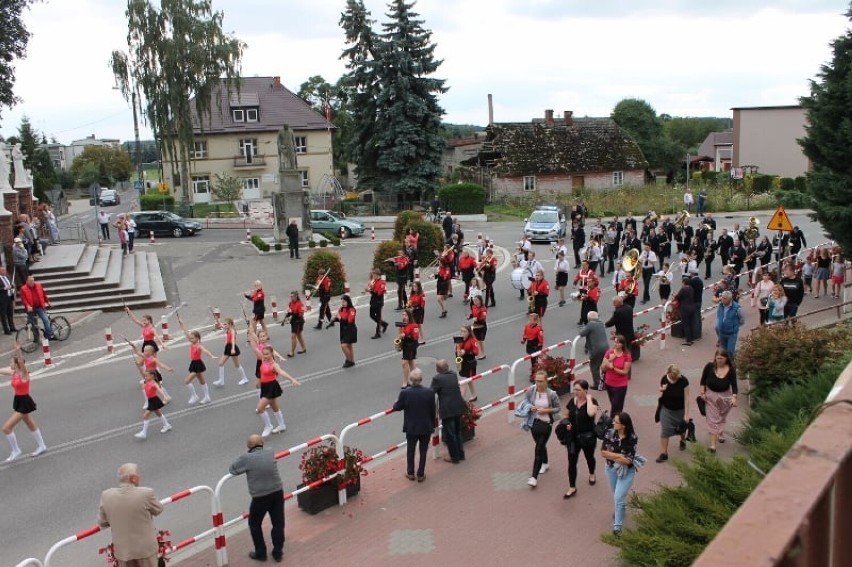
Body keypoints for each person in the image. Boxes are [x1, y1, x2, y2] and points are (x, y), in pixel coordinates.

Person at [229, 434, 285, 562]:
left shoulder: (246, 458)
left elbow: (232, 469)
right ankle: (278, 552)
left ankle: (261, 552)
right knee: (278, 523)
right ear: (263, 443)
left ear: (248, 446)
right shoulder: (270, 451)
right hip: (277, 491)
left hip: (260, 496)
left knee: (254, 523)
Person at [97, 463, 164, 567]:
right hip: (145, 550)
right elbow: (159, 509)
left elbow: (102, 522)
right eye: (138, 475)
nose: (140, 477)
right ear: (133, 478)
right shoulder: (146, 493)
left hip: (123, 551)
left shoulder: (106, 495)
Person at [248, 331, 302, 438]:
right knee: (274, 406)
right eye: (263, 354)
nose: (265, 356)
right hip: (264, 386)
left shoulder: (274, 365)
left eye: (267, 354)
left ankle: (268, 426)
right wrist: (250, 333)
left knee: (260, 408)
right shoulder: (263, 360)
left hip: (271, 387)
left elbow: (282, 373)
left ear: (272, 354)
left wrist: (292, 380)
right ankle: (282, 425)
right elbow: (254, 345)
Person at [2, 345, 47, 461]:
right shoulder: (13, 373)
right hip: (18, 400)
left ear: (17, 364)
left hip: (24, 402)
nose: (10, 364)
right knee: (30, 424)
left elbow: (21, 362)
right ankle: (42, 446)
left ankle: (16, 450)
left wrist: (17, 350)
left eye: (12, 362)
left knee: (6, 428)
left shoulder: (24, 374)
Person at [392, 369, 436, 482]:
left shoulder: (405, 393)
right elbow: (433, 411)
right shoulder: (430, 392)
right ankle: (420, 474)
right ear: (421, 380)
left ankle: (410, 472)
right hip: (426, 427)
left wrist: (396, 401)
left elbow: (397, 407)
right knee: (423, 451)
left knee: (410, 450)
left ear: (410, 380)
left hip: (411, 427)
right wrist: (432, 423)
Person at [600, 412, 638, 535]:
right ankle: (621, 509)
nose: (613, 423)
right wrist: (619, 455)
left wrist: (612, 456)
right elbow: (603, 453)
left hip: (627, 471)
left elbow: (628, 460)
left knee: (618, 496)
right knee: (616, 493)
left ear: (624, 425)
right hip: (611, 469)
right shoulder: (609, 433)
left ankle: (617, 526)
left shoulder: (632, 437)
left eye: (616, 422)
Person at [563, 379, 599, 498]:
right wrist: (567, 423)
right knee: (571, 462)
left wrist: (588, 399)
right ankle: (572, 487)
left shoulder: (592, 401)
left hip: (588, 437)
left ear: (585, 390)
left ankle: (592, 473)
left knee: (589, 457)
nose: (576, 392)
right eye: (575, 389)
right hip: (573, 437)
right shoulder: (572, 402)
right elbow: (566, 415)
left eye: (579, 390)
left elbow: (590, 413)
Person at [524, 370, 561, 488]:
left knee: (538, 448)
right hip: (534, 423)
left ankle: (534, 477)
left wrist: (546, 410)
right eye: (536, 381)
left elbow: (558, 408)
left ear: (546, 381)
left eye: (540, 381)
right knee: (540, 445)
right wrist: (531, 408)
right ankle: (545, 462)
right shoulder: (531, 391)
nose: (538, 384)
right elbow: (526, 403)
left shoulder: (552, 394)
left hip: (546, 424)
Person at [699, 350, 738, 452]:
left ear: (726, 359)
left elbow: (734, 384)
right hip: (711, 396)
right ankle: (712, 445)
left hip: (725, 397)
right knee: (712, 419)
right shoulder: (709, 367)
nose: (719, 360)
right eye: (718, 358)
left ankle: (720, 433)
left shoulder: (731, 369)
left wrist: (734, 397)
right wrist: (702, 393)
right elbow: (703, 381)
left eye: (721, 358)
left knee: (721, 416)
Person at [430, 359, 467, 464]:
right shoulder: (453, 374)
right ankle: (461, 454)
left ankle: (454, 457)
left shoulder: (437, 378)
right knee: (457, 431)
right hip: (458, 407)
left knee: (450, 435)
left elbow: (431, 391)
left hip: (448, 410)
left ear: (438, 369)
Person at [177, 315, 215, 405]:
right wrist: (182, 324)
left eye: (192, 338)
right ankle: (207, 397)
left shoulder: (198, 345)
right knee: (201, 380)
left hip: (197, 364)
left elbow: (205, 350)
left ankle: (194, 396)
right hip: (194, 363)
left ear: (197, 339)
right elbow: (186, 332)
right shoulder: (192, 343)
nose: (190, 339)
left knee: (187, 381)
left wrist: (211, 355)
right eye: (190, 338)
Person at [655, 365, 690, 463]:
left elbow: (687, 398)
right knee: (665, 430)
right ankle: (664, 453)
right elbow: (661, 389)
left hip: (680, 410)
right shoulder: (664, 378)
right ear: (669, 373)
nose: (675, 378)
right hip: (666, 409)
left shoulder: (684, 381)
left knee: (682, 429)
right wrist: (662, 389)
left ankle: (682, 440)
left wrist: (686, 414)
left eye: (676, 377)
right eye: (672, 376)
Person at [133, 369, 173, 439]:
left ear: (152, 376)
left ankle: (144, 433)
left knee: (145, 415)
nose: (145, 377)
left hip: (154, 400)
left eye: (146, 376)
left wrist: (164, 396)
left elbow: (159, 390)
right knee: (158, 413)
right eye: (145, 376)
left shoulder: (154, 383)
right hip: (151, 400)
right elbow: (142, 372)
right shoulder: (147, 381)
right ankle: (167, 425)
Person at [602, 334, 632, 415]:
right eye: (615, 342)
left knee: (616, 404)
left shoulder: (627, 356)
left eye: (618, 343)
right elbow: (603, 368)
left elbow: (625, 372)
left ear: (622, 344)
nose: (616, 344)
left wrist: (613, 368)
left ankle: (613, 421)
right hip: (609, 383)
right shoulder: (609, 352)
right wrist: (610, 360)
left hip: (621, 385)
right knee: (614, 403)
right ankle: (618, 418)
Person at [579, 311, 609, 390]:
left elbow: (582, 333)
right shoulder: (601, 323)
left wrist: (583, 327)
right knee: (604, 366)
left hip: (596, 349)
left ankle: (598, 384)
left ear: (589, 318)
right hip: (606, 348)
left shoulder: (590, 324)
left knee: (594, 367)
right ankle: (606, 382)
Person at [215, 318, 249, 386]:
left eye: (226, 324)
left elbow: (233, 340)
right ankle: (221, 380)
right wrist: (217, 320)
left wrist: (233, 349)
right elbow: (221, 325)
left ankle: (245, 378)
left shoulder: (232, 331)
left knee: (237, 365)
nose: (224, 325)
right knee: (221, 363)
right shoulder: (227, 329)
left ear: (230, 324)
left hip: (232, 347)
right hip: (227, 347)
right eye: (224, 324)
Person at [18, 275, 55, 340]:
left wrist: (48, 301)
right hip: (31, 309)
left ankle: (49, 335)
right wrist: (27, 305)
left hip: (40, 307)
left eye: (33, 280)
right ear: (27, 281)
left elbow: (43, 294)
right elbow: (23, 299)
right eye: (30, 281)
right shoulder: (23, 288)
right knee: (33, 324)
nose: (32, 282)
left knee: (45, 320)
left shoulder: (39, 285)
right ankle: (36, 338)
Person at [329, 294, 357, 368]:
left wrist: (339, 318)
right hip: (343, 329)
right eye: (342, 302)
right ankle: (352, 360)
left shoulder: (352, 310)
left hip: (350, 329)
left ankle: (349, 360)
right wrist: (333, 320)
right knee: (349, 346)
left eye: (344, 302)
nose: (343, 303)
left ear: (348, 301)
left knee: (344, 346)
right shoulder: (342, 309)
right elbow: (339, 319)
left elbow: (349, 321)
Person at [714, 290, 745, 356]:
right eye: (722, 297)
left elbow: (742, 319)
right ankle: (727, 364)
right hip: (722, 332)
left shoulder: (737, 308)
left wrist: (735, 326)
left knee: (730, 351)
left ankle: (732, 363)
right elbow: (719, 316)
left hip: (732, 334)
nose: (722, 299)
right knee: (724, 352)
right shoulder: (720, 306)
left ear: (730, 299)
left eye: (724, 298)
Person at [455, 324, 479, 402]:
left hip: (469, 364)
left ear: (469, 332)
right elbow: (456, 351)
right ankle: (474, 395)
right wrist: (457, 350)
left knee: (464, 381)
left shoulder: (472, 340)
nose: (462, 333)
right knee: (469, 380)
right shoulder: (459, 340)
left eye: (464, 331)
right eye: (461, 331)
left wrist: (465, 352)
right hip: (461, 362)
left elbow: (476, 352)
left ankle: (460, 400)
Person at [397, 309, 420, 388]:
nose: (404, 317)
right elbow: (400, 334)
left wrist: (406, 335)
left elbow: (416, 337)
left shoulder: (414, 325)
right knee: (411, 363)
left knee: (404, 363)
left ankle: (405, 382)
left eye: (406, 315)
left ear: (409, 316)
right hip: (405, 345)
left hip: (411, 346)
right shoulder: (403, 324)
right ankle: (416, 379)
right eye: (403, 315)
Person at [674, 275, 698, 346]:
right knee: (691, 323)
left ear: (684, 282)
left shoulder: (683, 289)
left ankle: (688, 340)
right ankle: (692, 338)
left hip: (685, 308)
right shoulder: (691, 288)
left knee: (686, 324)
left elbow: (677, 297)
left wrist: (675, 295)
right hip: (692, 307)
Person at [284, 291, 307, 358]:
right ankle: (304, 348)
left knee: (293, 336)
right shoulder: (290, 303)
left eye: (292, 296)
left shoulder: (300, 304)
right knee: (299, 335)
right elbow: (289, 311)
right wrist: (288, 315)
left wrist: (293, 313)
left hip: (298, 321)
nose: (291, 298)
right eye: (290, 296)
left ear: (296, 296)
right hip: (293, 321)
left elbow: (301, 314)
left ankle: (292, 352)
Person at [521, 312, 544, 378]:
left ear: (536, 321)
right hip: (529, 345)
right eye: (529, 320)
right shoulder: (527, 326)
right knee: (532, 359)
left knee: (534, 361)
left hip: (535, 346)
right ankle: (535, 370)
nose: (530, 321)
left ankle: (534, 374)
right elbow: (525, 334)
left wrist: (540, 349)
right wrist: (523, 340)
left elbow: (541, 340)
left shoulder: (538, 329)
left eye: (532, 320)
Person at [367, 269, 388, 338]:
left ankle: (378, 333)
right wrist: (369, 290)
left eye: (374, 275)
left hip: (378, 302)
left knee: (378, 318)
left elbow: (378, 294)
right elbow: (372, 291)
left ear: (378, 275)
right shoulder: (374, 281)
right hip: (373, 301)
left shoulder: (382, 283)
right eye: (373, 275)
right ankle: (384, 324)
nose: (373, 276)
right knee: (371, 315)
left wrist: (370, 290)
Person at [468, 294, 487, 360]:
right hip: (475, 325)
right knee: (475, 340)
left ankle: (483, 354)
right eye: (474, 300)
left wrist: (477, 319)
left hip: (481, 326)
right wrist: (469, 317)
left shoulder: (483, 309)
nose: (475, 302)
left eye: (476, 300)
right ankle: (477, 352)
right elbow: (473, 313)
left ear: (480, 301)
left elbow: (483, 318)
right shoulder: (473, 306)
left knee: (480, 341)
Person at [0, 266, 16, 334]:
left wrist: (12, 286)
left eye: (5, 270)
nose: (4, 271)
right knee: (3, 315)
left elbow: (10, 284)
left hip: (9, 297)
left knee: (10, 313)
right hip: (2, 299)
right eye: (3, 270)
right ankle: (6, 330)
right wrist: (5, 288)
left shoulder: (8, 276)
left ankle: (12, 327)